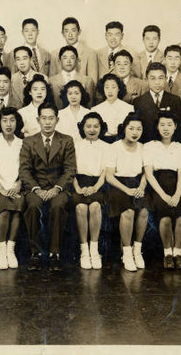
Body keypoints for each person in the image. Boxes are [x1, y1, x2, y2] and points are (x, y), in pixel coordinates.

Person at [19, 102, 76, 271]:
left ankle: (54, 253)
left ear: (57, 120)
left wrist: (56, 188)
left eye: (51, 118)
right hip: (35, 188)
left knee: (58, 206)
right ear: (38, 120)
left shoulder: (66, 140)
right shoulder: (29, 141)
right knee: (33, 206)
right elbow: (24, 170)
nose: (48, 122)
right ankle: (35, 253)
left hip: (59, 188)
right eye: (44, 118)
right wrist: (36, 189)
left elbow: (70, 169)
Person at [106, 112, 149, 271]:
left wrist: (141, 187)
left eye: (138, 129)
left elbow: (146, 172)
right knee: (128, 212)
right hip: (118, 185)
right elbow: (109, 176)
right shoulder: (114, 147)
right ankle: (126, 252)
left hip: (138, 183)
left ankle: (137, 250)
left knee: (144, 211)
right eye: (131, 128)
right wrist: (127, 190)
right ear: (124, 129)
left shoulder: (143, 148)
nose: (135, 132)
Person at [144, 111, 181, 269]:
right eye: (162, 125)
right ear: (157, 127)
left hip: (177, 186)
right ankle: (167, 253)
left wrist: (176, 194)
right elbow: (149, 174)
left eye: (169, 125)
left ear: (175, 126)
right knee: (165, 218)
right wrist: (162, 195)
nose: (166, 128)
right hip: (157, 185)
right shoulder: (150, 146)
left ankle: (178, 253)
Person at [0, 107, 25, 269]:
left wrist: (18, 184)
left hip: (16, 186)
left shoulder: (22, 143)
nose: (8, 124)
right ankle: (1, 250)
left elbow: (25, 167)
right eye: (5, 120)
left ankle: (10, 249)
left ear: (17, 122)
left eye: (12, 120)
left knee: (18, 207)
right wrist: (0, 188)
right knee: (5, 210)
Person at [72, 112, 109, 269]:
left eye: (96, 126)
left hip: (98, 184)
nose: (92, 129)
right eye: (88, 126)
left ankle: (94, 249)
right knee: (81, 207)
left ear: (101, 128)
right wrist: (78, 188)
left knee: (94, 206)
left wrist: (95, 187)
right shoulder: (75, 145)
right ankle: (84, 250)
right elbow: (70, 170)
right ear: (82, 127)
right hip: (78, 183)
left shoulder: (107, 147)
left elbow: (105, 172)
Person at [133, 62, 181, 144]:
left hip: (170, 147)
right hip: (147, 146)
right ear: (146, 80)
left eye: (160, 78)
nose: (157, 82)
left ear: (166, 79)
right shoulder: (138, 102)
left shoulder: (175, 100)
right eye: (153, 78)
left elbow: (180, 129)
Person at [91, 73, 133, 143]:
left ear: (119, 88)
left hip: (122, 143)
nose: (110, 91)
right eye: (107, 87)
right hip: (102, 143)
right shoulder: (95, 110)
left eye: (113, 87)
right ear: (103, 89)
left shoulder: (129, 108)